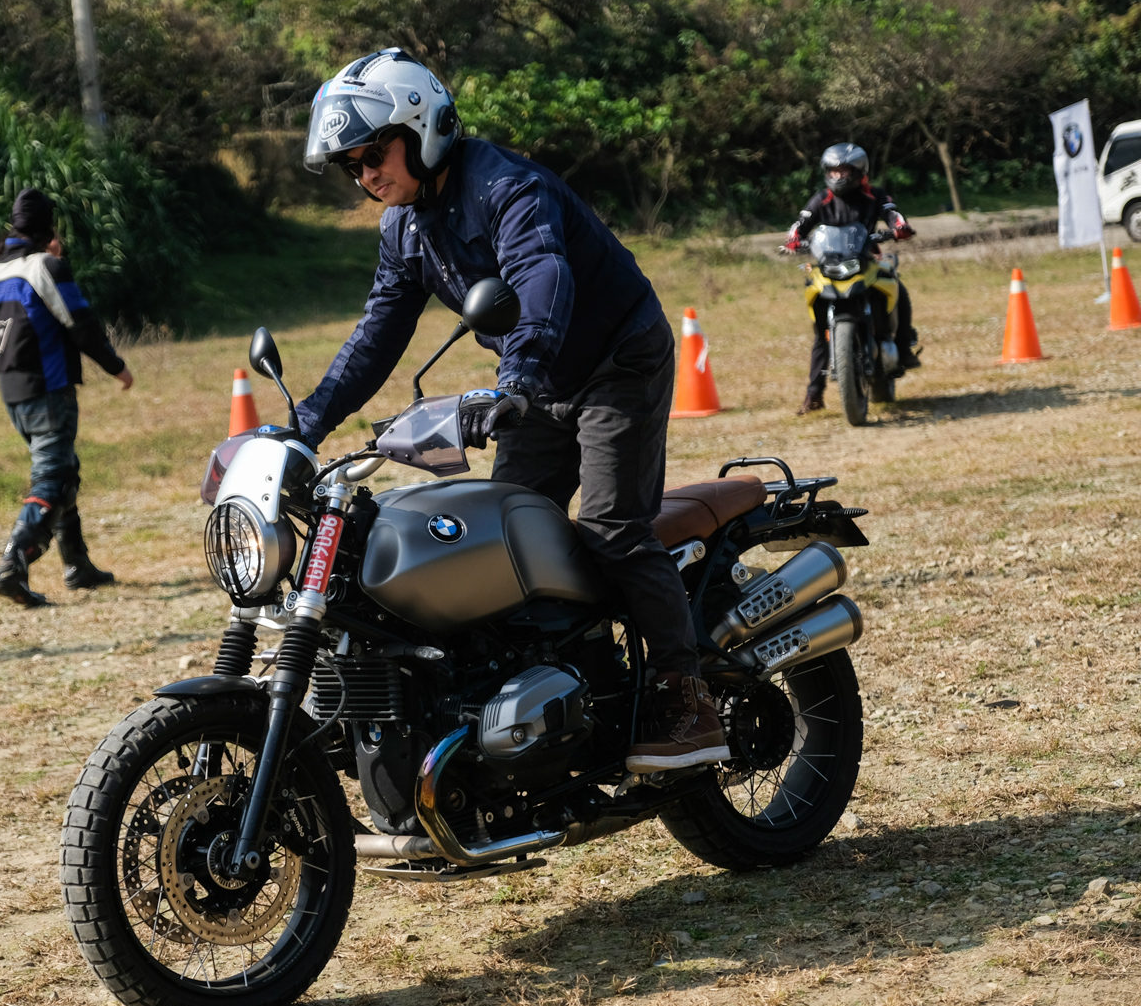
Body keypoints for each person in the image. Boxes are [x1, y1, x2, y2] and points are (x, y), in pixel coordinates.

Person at [296, 48, 728, 773]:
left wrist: (518, 375)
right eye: (352, 166)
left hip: (614, 359)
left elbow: (540, 278)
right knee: (503, 536)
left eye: (373, 152)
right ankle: (561, 690)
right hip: (534, 380)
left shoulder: (507, 188)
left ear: (423, 128)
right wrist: (302, 423)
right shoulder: (405, 228)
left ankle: (688, 691)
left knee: (609, 526)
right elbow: (377, 336)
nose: (367, 175)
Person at [0, 187, 134, 608]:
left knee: (65, 468)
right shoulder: (46, 266)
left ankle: (77, 565)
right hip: (49, 390)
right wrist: (115, 365)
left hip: (13, 393)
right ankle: (13, 562)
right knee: (54, 479)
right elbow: (79, 323)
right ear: (49, 226)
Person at [783, 142, 920, 415]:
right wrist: (794, 239)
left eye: (843, 171)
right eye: (832, 172)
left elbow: (892, 213)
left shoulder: (874, 195)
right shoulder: (820, 199)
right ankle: (814, 395)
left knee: (898, 289)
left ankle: (903, 348)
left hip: (866, 260)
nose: (837, 177)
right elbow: (801, 223)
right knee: (820, 332)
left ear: (859, 172)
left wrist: (899, 227)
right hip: (829, 266)